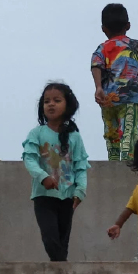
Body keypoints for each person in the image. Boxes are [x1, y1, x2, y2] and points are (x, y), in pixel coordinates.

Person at [23, 83, 90, 262]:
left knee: (62, 241)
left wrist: (80, 190)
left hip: (67, 198)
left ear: (68, 105)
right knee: (50, 238)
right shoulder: (36, 133)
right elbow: (29, 159)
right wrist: (43, 177)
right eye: (46, 101)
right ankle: (63, 270)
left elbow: (81, 166)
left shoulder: (74, 136)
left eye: (57, 100)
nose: (51, 104)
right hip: (43, 196)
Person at [91, 3, 138, 161]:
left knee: (112, 133)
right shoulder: (137, 46)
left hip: (108, 98)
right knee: (129, 131)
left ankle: (113, 163)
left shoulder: (102, 48)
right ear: (128, 25)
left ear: (103, 28)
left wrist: (98, 87)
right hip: (129, 97)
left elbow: (96, 65)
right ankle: (128, 162)